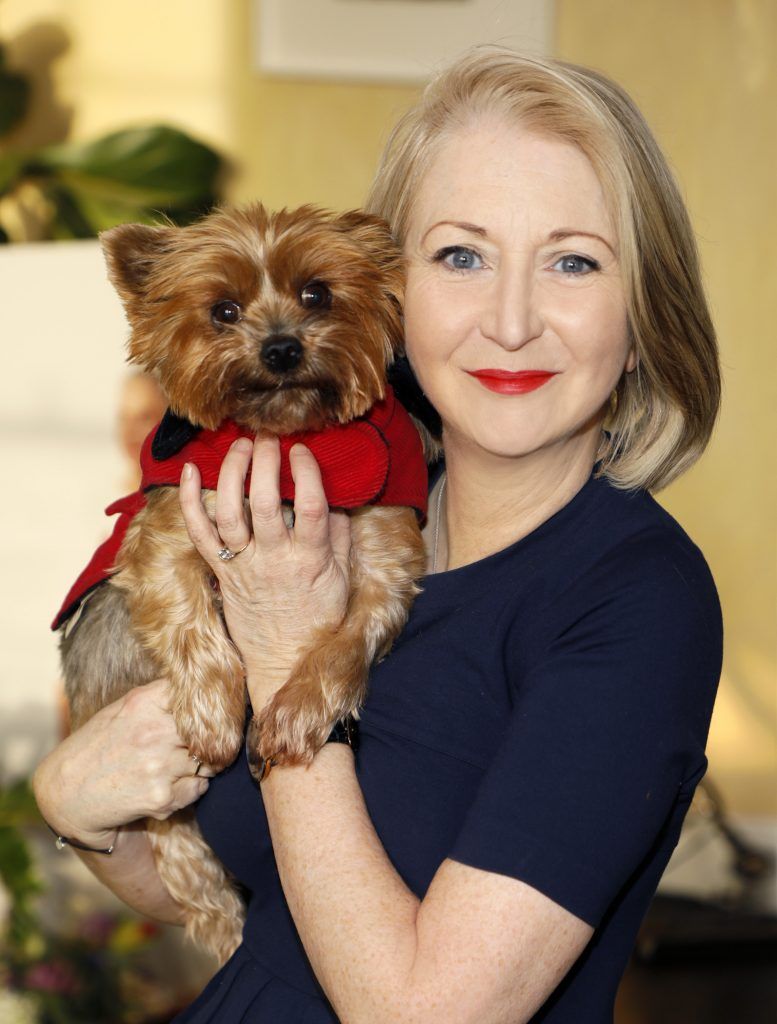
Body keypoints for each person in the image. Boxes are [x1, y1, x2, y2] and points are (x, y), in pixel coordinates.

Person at [33, 48, 722, 1023]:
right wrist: (73, 807)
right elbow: (261, 909)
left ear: (645, 311)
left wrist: (279, 657)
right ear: (391, 294)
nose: (512, 320)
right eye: (462, 255)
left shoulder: (637, 598)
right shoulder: (341, 509)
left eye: (574, 259)